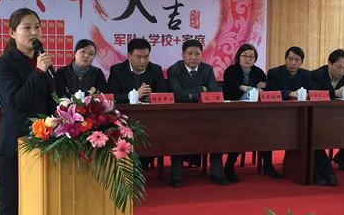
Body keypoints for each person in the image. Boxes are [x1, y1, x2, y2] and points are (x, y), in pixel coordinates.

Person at [0, 7, 56, 215]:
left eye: (37, 27)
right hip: (14, 147)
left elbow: (51, 102)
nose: (33, 33)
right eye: (27, 28)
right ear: (12, 32)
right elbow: (15, 103)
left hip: (45, 146)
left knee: (41, 211)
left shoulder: (43, 62)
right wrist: (39, 72)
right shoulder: (3, 64)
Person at [166, 39, 228, 187]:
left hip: (205, 115)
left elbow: (213, 92)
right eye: (190, 54)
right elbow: (177, 95)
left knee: (217, 132)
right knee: (177, 137)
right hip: (181, 116)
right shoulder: (174, 70)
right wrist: (201, 90)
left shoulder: (207, 69)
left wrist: (191, 93)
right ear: (183, 55)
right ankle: (176, 176)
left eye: (197, 54)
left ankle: (216, 173)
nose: (193, 57)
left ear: (202, 55)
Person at [221, 43, 281, 181]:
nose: (248, 59)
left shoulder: (258, 72)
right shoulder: (231, 71)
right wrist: (252, 88)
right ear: (238, 57)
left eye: (251, 57)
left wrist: (243, 87)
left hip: (256, 112)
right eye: (245, 56)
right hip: (235, 112)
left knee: (266, 130)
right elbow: (230, 91)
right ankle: (229, 166)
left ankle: (268, 165)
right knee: (241, 132)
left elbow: (265, 89)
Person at [309, 49, 344, 184]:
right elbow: (314, 94)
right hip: (319, 116)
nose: (342, 71)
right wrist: (335, 93)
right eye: (339, 67)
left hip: (340, 115)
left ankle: (343, 157)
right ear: (329, 64)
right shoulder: (316, 75)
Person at [106, 37, 168, 104]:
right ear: (129, 56)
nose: (143, 61)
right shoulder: (117, 70)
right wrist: (135, 95)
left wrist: (151, 97)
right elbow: (112, 97)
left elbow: (164, 95)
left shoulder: (155, 70)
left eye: (146, 57)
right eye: (139, 57)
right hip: (125, 109)